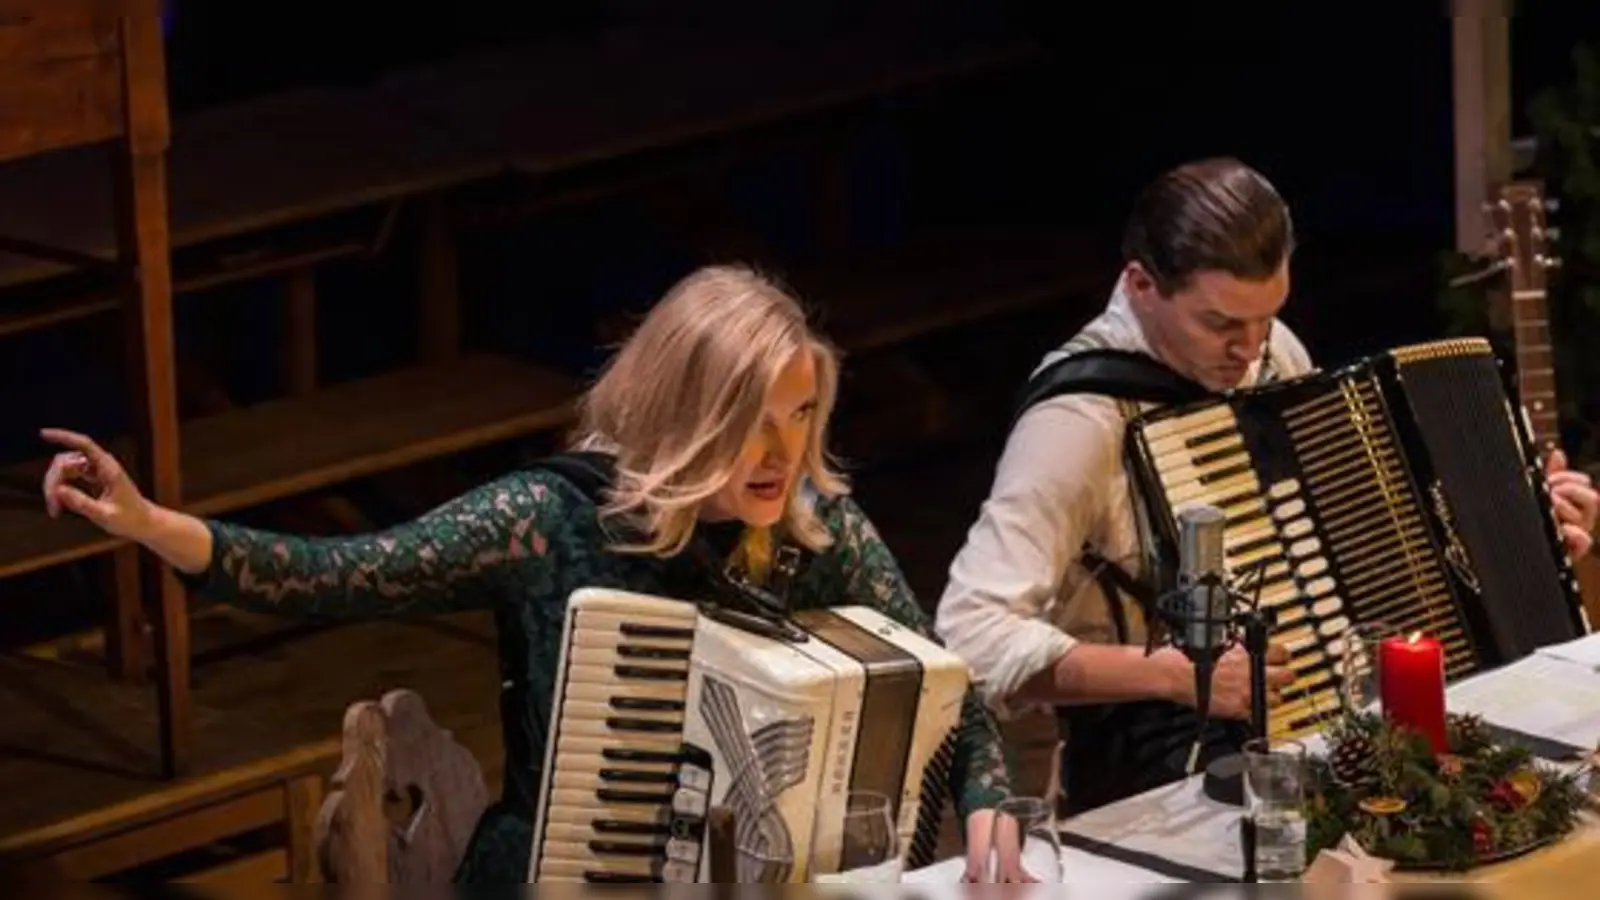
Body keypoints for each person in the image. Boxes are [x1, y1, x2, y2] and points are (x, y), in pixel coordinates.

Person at [40, 265, 1023, 883]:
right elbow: (337, 575)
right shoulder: (549, 519)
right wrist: (145, 521)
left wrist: (988, 806)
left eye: (801, 414)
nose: (779, 450)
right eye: (749, 419)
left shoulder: (820, 533)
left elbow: (956, 700)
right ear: (686, 414)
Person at [934, 157, 1600, 814]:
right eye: (1220, 323)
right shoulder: (1078, 420)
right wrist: (1171, 676)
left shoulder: (1271, 349)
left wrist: (1523, 542)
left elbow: (1349, 555)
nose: (1250, 348)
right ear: (1140, 284)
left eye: (1266, 317)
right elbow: (970, 633)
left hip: (1295, 745)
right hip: (1146, 766)